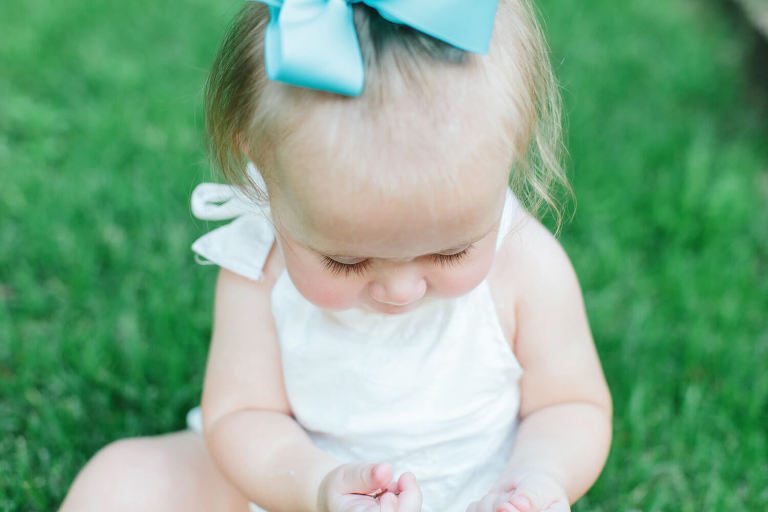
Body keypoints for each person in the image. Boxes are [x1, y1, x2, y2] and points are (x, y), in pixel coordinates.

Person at [60, 1, 612, 511]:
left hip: (478, 495)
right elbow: (243, 416)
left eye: (451, 252)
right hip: (294, 486)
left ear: (510, 152)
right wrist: (319, 487)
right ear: (262, 163)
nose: (401, 290)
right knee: (121, 482)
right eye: (346, 262)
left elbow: (570, 405)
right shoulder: (261, 269)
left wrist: (539, 476)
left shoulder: (526, 265)